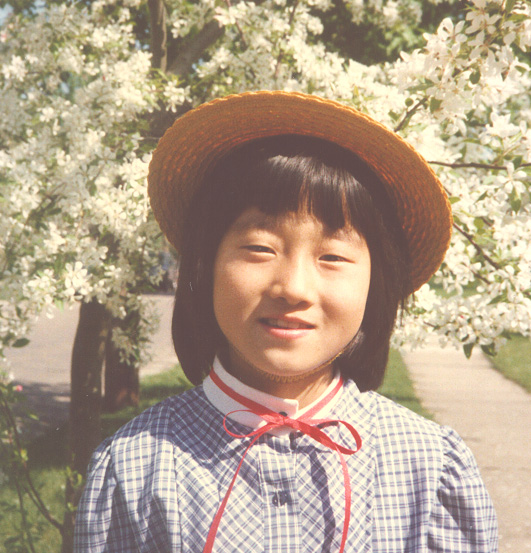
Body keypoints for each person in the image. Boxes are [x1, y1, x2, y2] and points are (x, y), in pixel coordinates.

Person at [74, 91, 498, 553]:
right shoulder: (134, 468)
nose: (293, 288)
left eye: (333, 256)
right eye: (260, 248)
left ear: (376, 284)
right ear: (204, 265)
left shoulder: (429, 468)